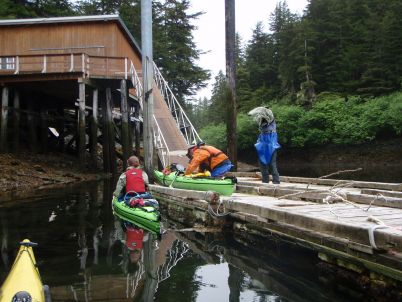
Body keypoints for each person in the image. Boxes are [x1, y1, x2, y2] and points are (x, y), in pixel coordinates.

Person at [248, 106, 281, 184]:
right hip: (262, 146)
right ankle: (265, 181)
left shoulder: (271, 119)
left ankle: (276, 181)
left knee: (272, 164)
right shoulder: (261, 122)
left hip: (271, 145)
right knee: (262, 164)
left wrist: (266, 109)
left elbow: (268, 114)